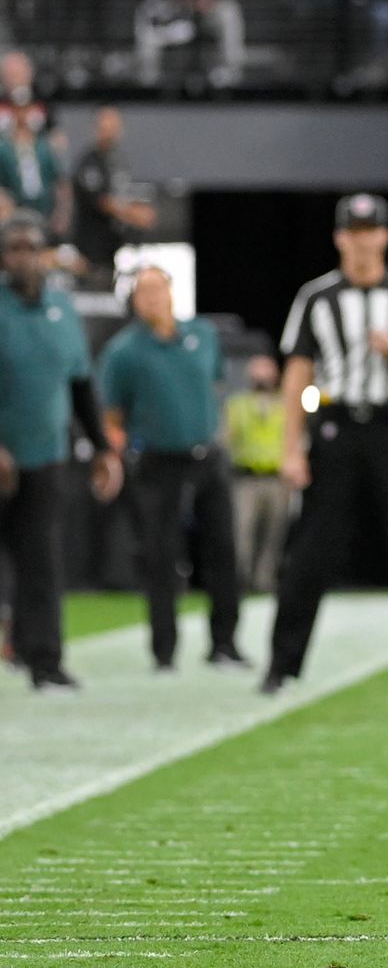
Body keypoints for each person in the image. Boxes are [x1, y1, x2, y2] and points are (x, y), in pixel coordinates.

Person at [265, 193, 388, 697]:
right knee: (311, 551)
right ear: (339, 238)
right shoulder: (317, 297)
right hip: (334, 430)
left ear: (385, 236)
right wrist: (291, 449)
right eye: (353, 231)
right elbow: (296, 375)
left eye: (370, 231)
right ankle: (281, 665)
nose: (362, 240)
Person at [97, 266, 243, 671]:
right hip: (158, 463)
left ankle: (225, 644)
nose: (152, 298)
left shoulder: (203, 336)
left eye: (157, 289)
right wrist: (119, 453)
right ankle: (164, 651)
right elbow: (112, 416)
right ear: (135, 300)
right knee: (161, 558)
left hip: (207, 456)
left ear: (171, 292)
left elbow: (214, 388)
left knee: (223, 551)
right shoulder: (124, 351)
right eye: (143, 292)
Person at [0, 212, 121, 691]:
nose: (22, 257)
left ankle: (43, 660)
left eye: (31, 247)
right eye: (13, 249)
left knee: (43, 562)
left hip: (47, 455)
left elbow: (80, 385)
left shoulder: (62, 310)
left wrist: (101, 448)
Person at [69, 107, 157, 286]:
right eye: (104, 126)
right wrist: (132, 213)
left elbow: (121, 193)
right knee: (95, 292)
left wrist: (137, 208)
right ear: (95, 128)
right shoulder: (89, 161)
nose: (109, 131)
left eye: (113, 126)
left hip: (114, 246)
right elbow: (100, 200)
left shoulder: (117, 161)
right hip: (92, 250)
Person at [223, 353, 289, 592]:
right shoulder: (238, 404)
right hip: (246, 477)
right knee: (242, 531)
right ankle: (239, 580)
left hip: (277, 478)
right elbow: (225, 437)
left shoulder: (286, 404)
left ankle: (265, 580)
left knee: (274, 534)